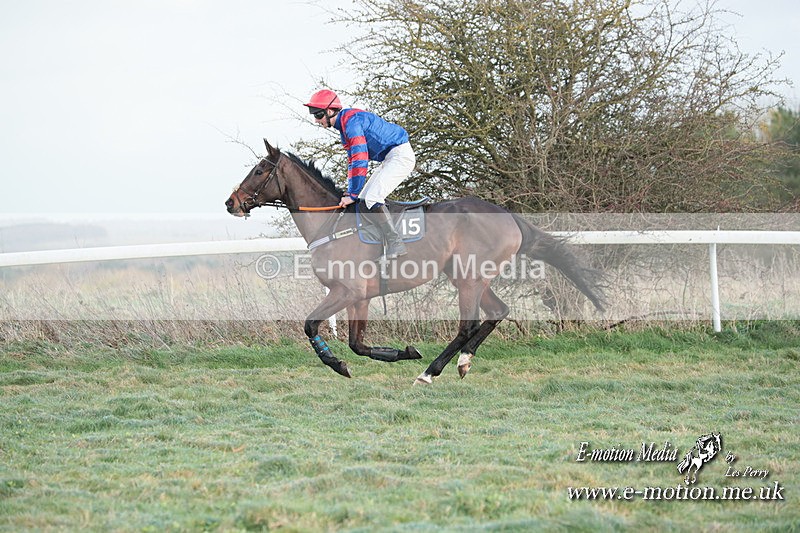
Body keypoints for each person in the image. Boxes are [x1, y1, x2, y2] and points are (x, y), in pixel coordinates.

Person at [304, 89, 415, 259]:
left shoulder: (351, 123)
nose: (316, 120)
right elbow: (352, 162)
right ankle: (380, 246)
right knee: (363, 200)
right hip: (390, 157)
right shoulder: (345, 126)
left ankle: (396, 243)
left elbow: (360, 159)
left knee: (371, 199)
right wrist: (351, 192)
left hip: (400, 156)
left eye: (318, 115)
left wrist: (353, 193)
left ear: (330, 111)